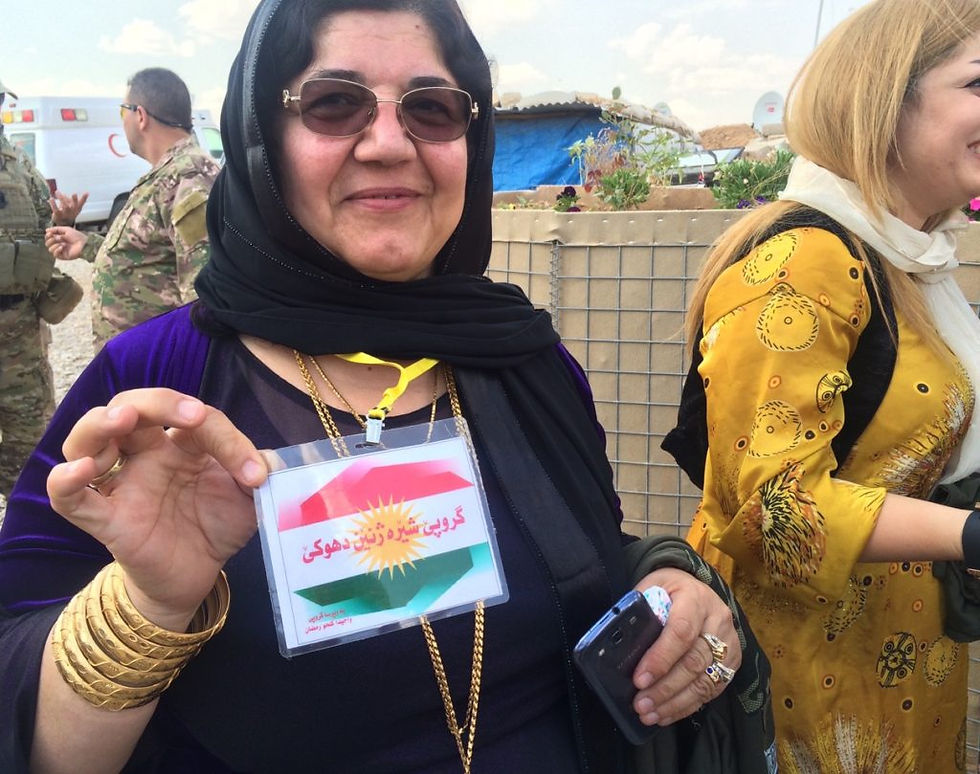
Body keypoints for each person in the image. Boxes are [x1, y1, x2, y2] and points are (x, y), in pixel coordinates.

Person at [0, 2, 775, 773]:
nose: (388, 143)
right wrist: (147, 606)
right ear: (262, 136)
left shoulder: (527, 361)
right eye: (334, 104)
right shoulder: (153, 388)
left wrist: (670, 587)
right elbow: (32, 739)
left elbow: (583, 564)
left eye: (431, 109)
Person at [663, 0, 980, 770]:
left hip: (902, 656)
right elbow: (770, 509)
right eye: (977, 83)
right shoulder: (807, 261)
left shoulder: (913, 263)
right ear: (884, 99)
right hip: (803, 676)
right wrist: (967, 534)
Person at [44, 67, 220, 351]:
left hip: (160, 366)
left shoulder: (188, 176)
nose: (122, 122)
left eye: (121, 112)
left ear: (140, 116)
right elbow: (151, 255)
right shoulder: (167, 174)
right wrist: (88, 245)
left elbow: (205, 295)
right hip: (139, 362)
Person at [0, 78, 81, 500]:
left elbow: (40, 226)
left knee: (28, 447)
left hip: (20, 333)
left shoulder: (17, 160)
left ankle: (20, 527)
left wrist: (62, 222)